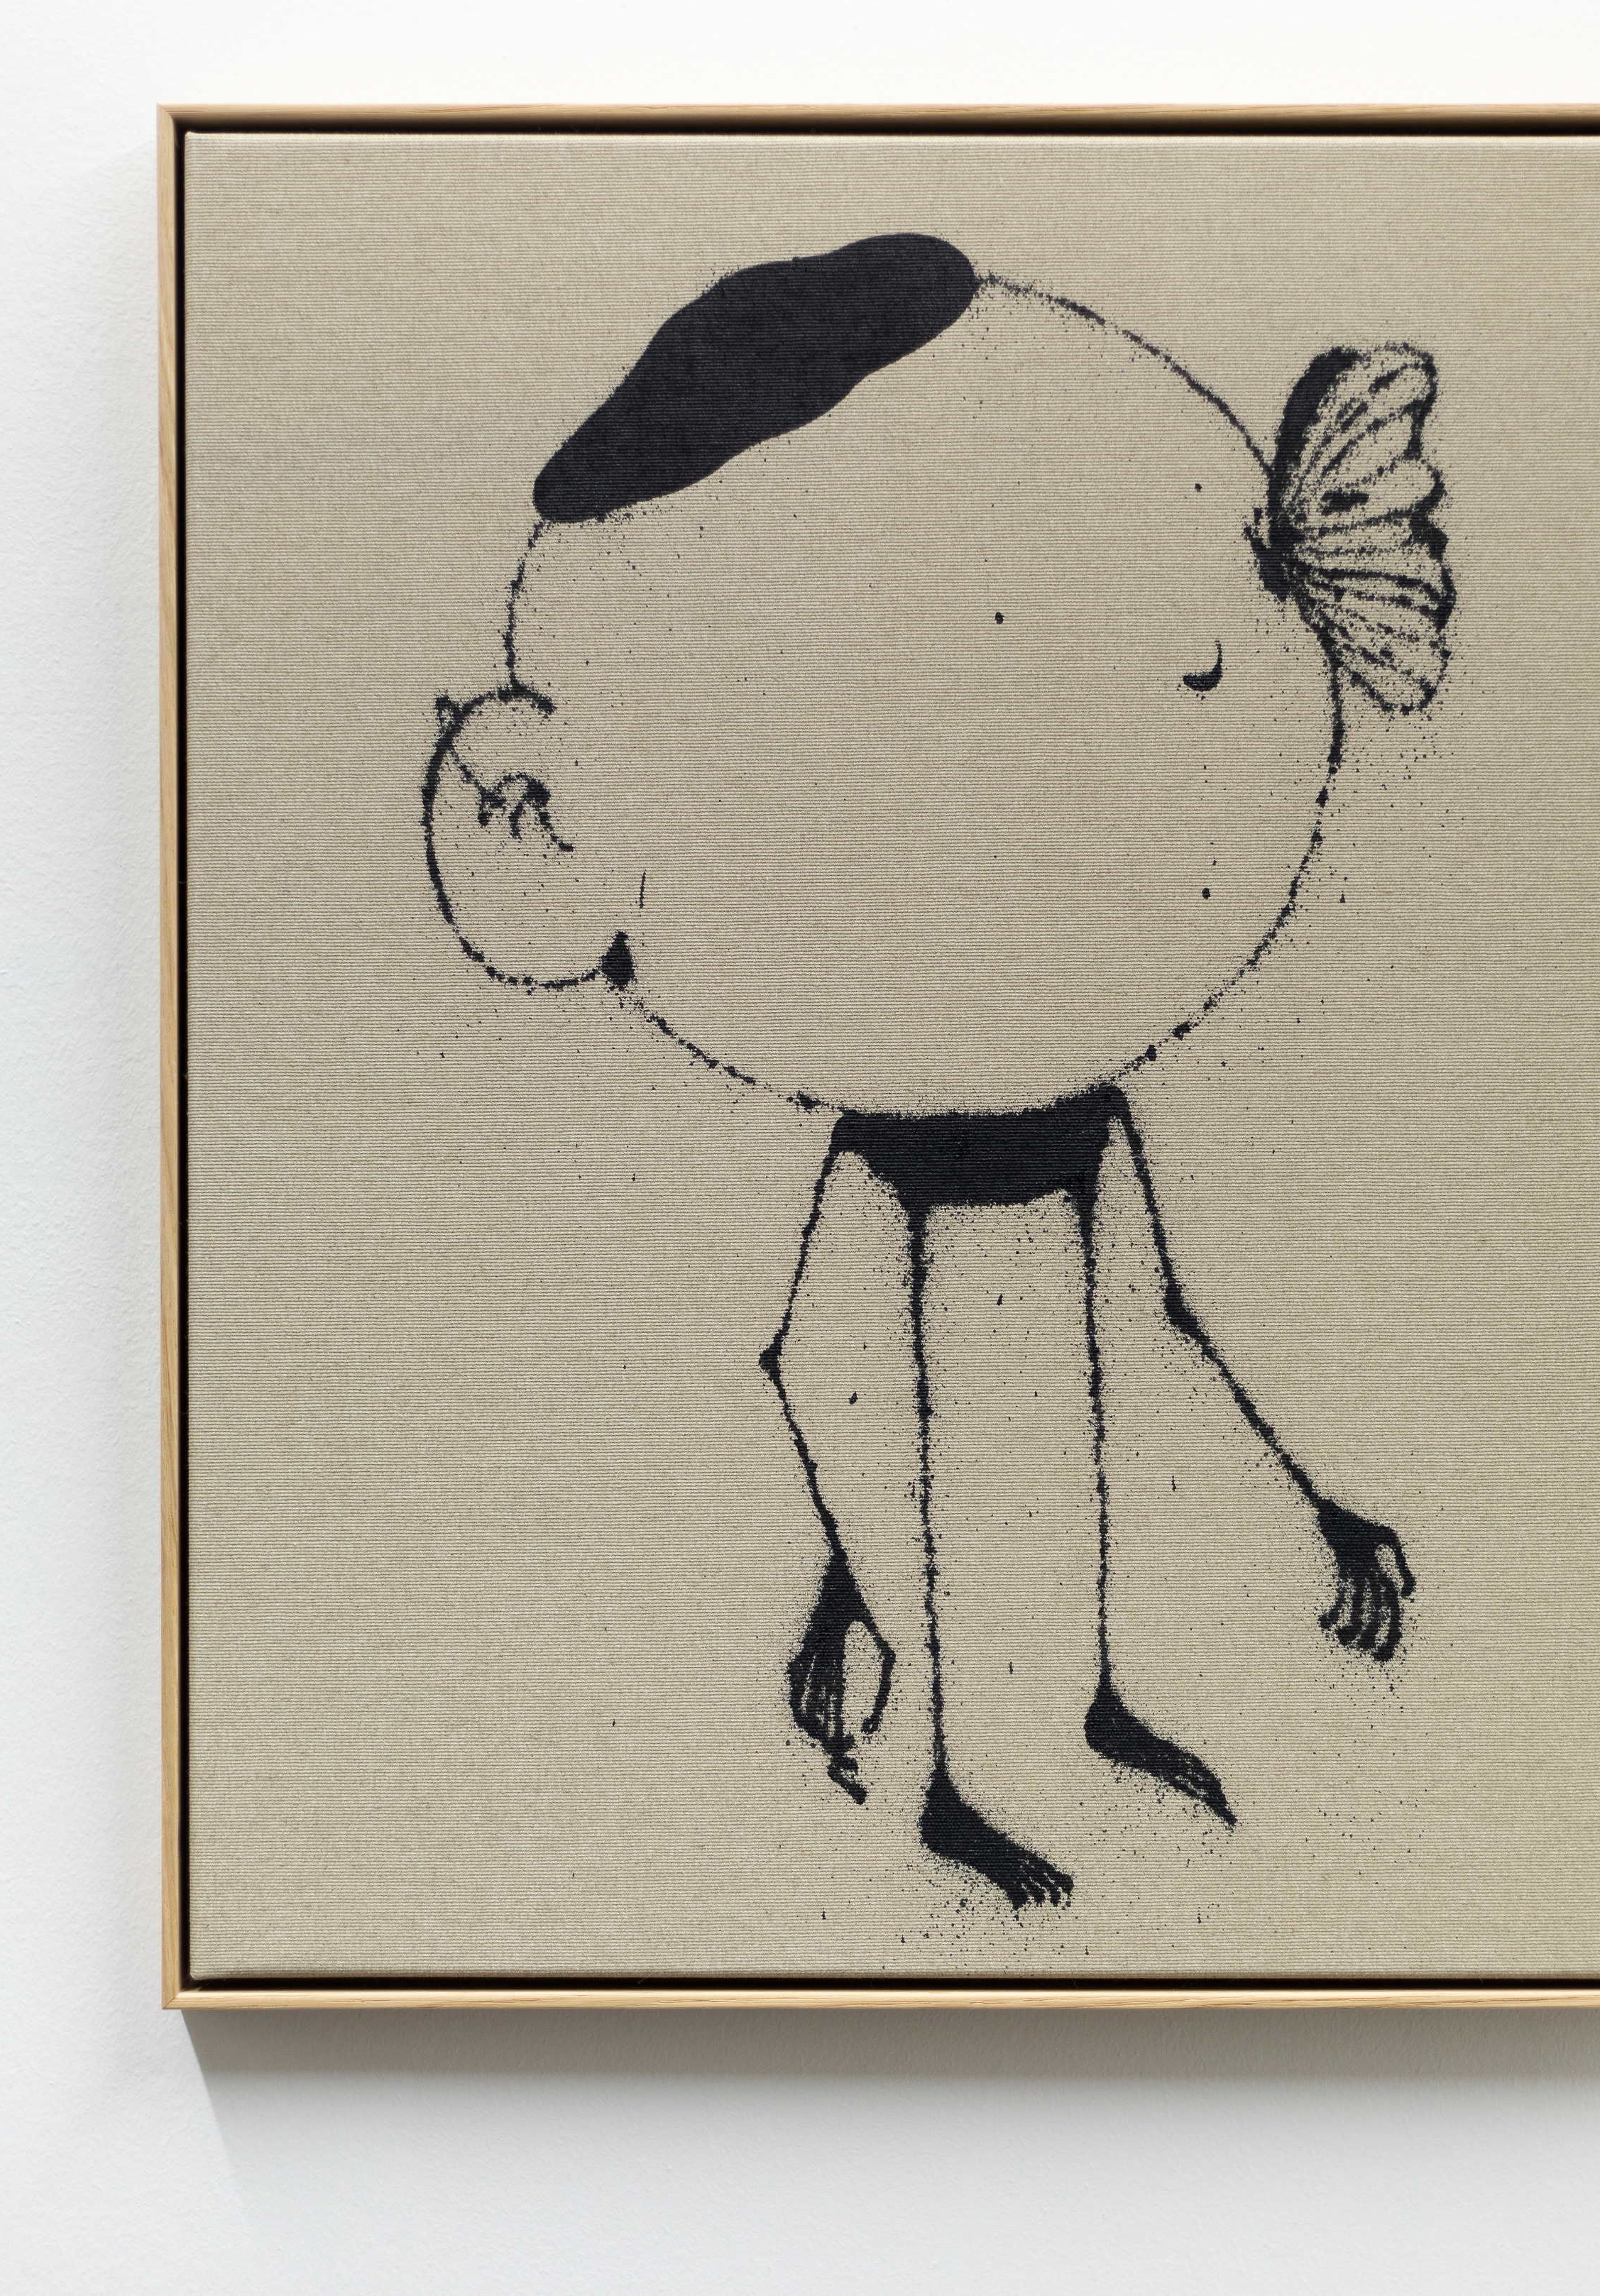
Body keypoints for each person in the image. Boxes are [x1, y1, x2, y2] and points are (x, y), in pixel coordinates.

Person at [425, 234, 1452, 1908]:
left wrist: (1315, 1509)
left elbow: (1155, 1319)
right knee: (973, 1453)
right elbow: (815, 1357)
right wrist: (849, 1588)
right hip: (924, 1309)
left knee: (1052, 1436)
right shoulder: (902, 1116)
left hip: (1026, 1198)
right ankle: (960, 1781)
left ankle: (1084, 1706)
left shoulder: (1065, 1092)